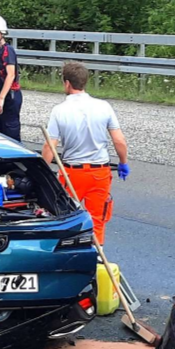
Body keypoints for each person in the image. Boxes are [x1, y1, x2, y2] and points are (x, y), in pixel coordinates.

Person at [41, 61, 129, 245]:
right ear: (84, 82)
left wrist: (41, 174)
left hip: (72, 173)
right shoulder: (104, 106)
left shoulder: (59, 111)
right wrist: (122, 162)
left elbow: (50, 146)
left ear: (67, 83)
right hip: (100, 172)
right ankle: (96, 257)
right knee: (97, 219)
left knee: (66, 218)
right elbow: (119, 140)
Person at [0, 15, 23, 140]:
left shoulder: (8, 50)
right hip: (2, 93)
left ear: (2, 34)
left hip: (10, 96)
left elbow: (11, 74)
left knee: (11, 131)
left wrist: (1, 99)